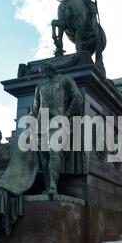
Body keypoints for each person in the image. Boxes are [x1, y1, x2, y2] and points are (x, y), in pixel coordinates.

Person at [29, 63, 84, 195]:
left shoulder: (65, 80)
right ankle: (48, 187)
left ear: (50, 69)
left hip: (58, 121)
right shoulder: (40, 86)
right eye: (41, 73)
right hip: (42, 123)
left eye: (43, 71)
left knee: (54, 152)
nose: (42, 75)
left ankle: (53, 185)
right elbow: (36, 107)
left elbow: (78, 98)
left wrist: (67, 115)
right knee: (44, 156)